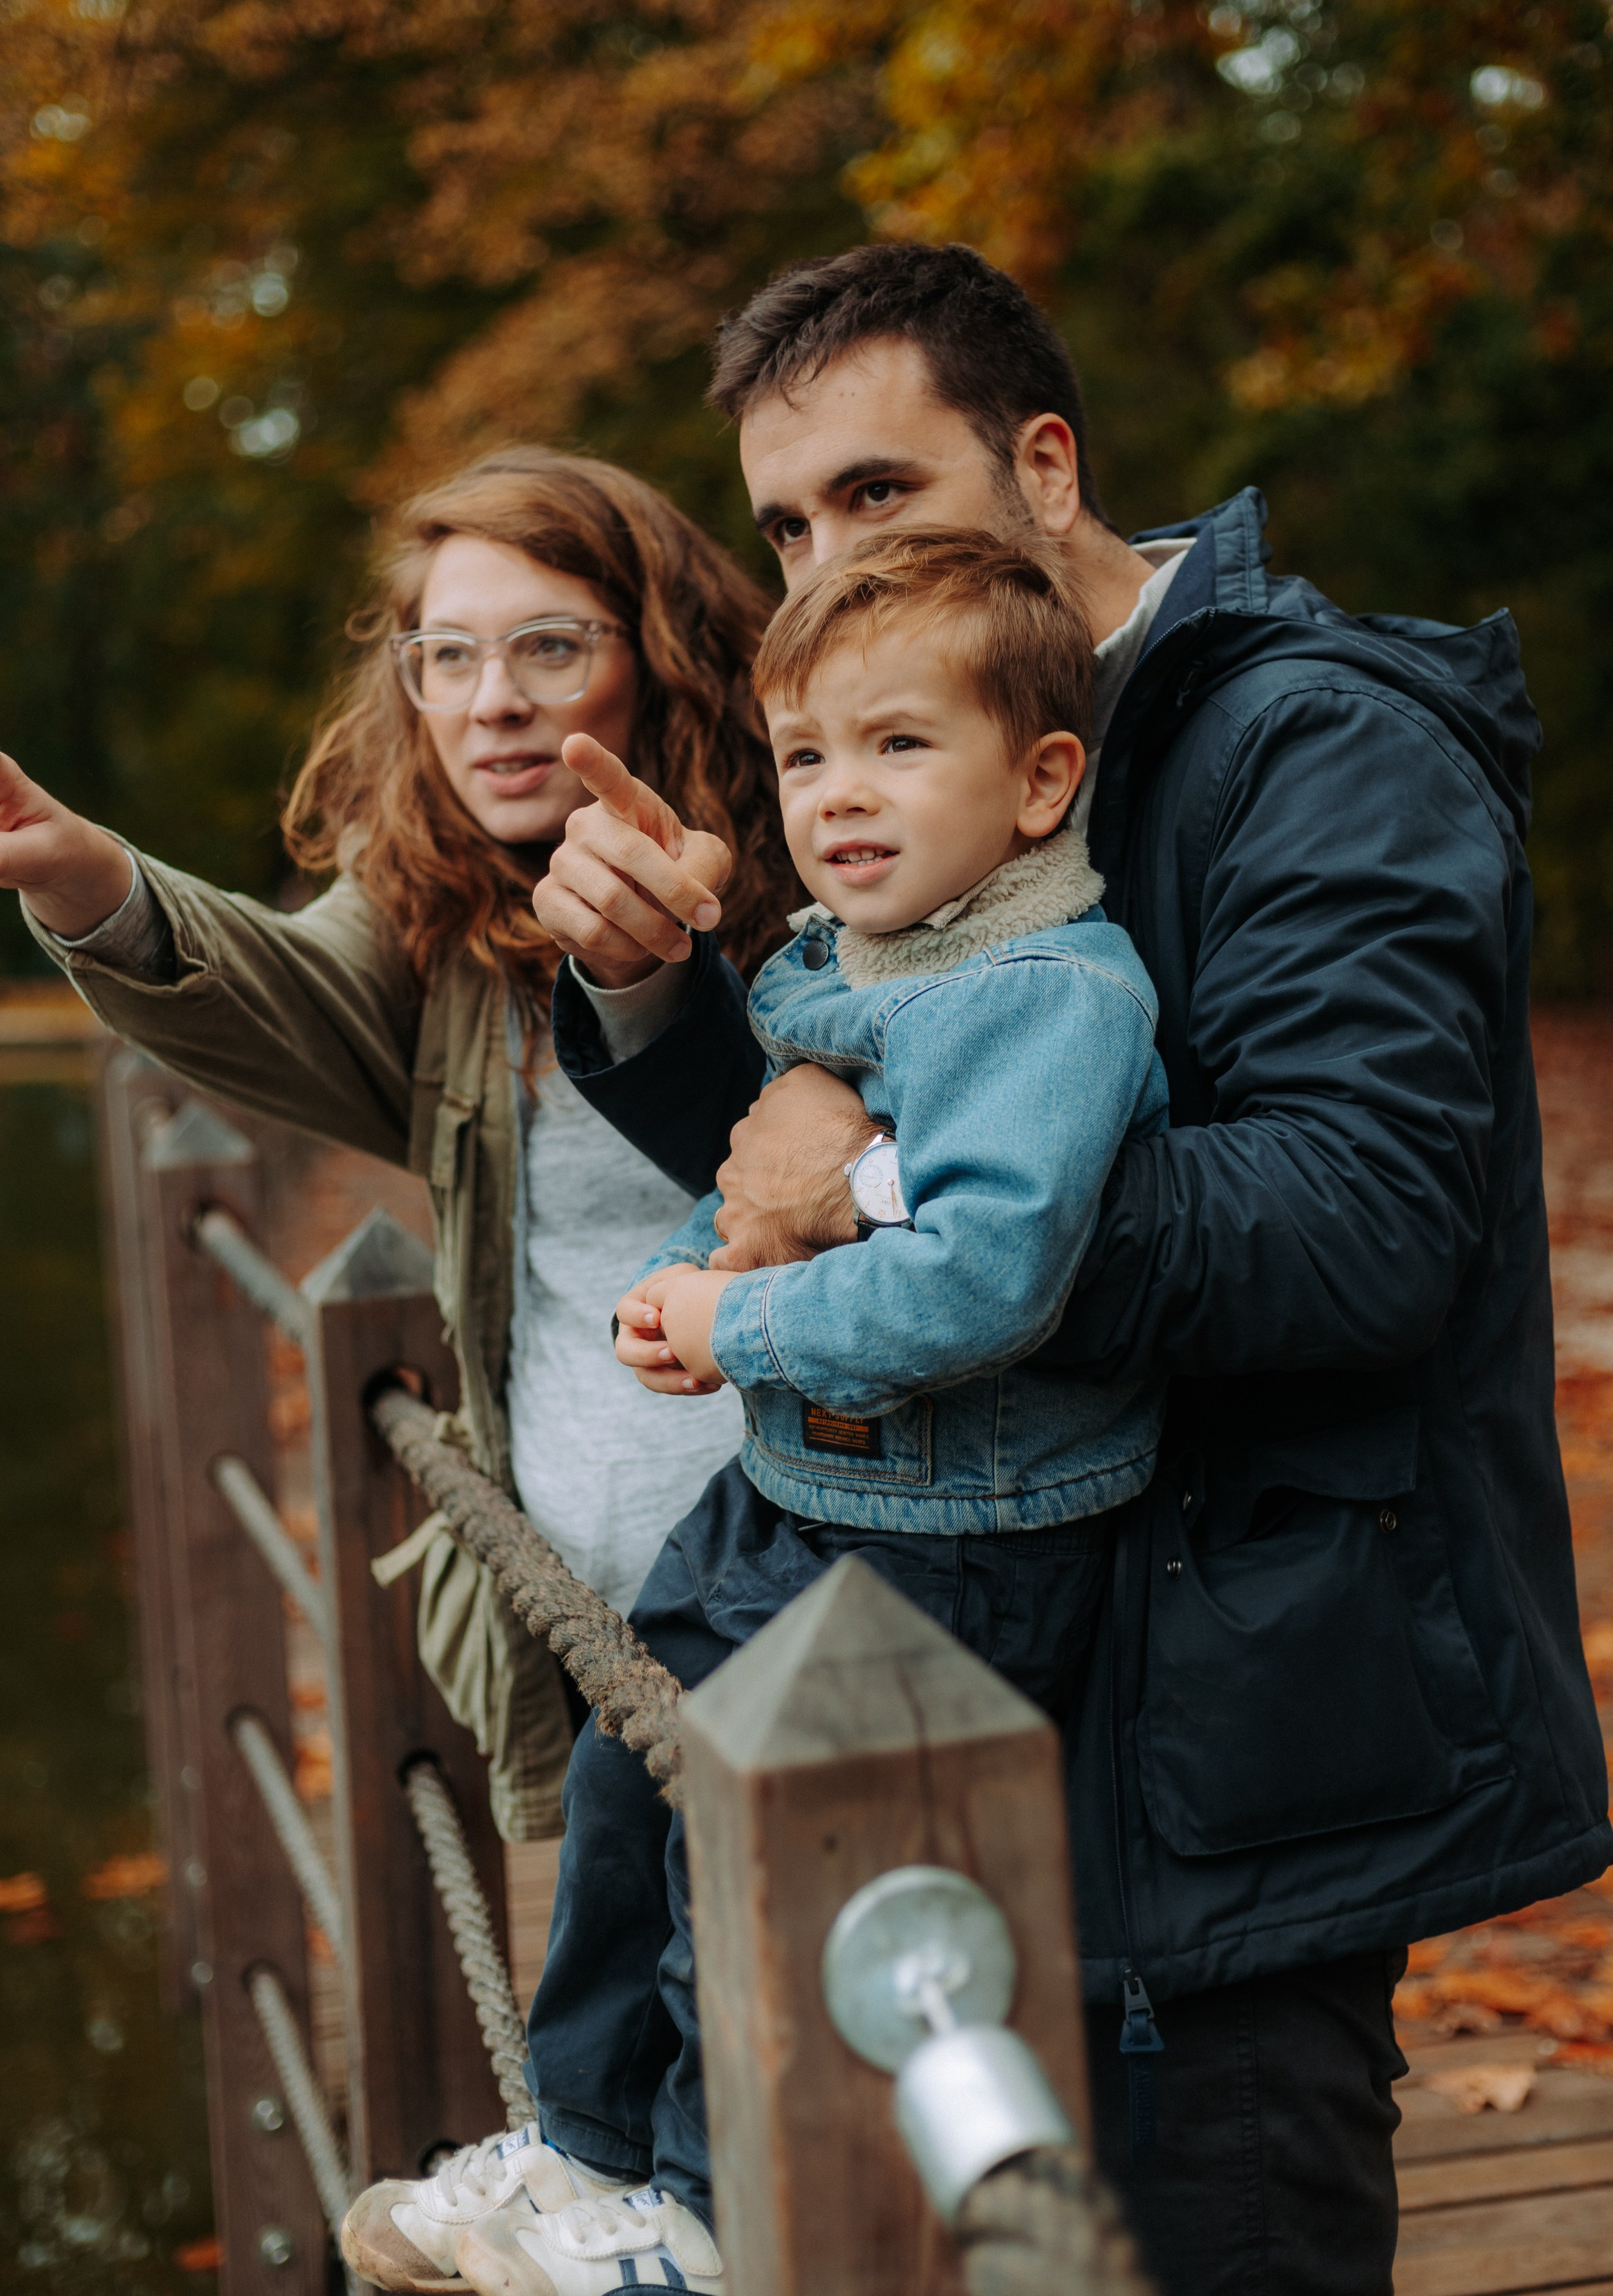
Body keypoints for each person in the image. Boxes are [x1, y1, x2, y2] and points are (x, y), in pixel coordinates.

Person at [526, 243, 1611, 2296]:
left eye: (873, 490)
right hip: (966, 1642)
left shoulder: (1317, 747)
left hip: (1240, 1732)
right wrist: (667, 1000)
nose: (822, 551)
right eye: (781, 520)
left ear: (1041, 462)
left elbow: (1355, 1225)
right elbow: (817, 1159)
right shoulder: (910, 723)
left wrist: (892, 1190)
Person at [0, 446, 799, 2293]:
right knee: (642, 1974)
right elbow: (276, 998)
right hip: (588, 1589)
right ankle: (606, 2186)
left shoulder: (805, 863)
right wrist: (84, 881)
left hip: (801, 1588)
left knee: (762, 2053)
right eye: (445, 658)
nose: (490, 701)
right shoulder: (441, 913)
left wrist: (679, 972)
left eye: (544, 644)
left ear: (660, 654)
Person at [454, 521, 1172, 2296]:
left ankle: (699, 2211)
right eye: (804, 756)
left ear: (1040, 780)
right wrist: (688, 1277)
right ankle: (589, 2149)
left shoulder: (1047, 998)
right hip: (790, 1493)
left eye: (900, 744)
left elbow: (983, 1278)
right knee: (637, 1787)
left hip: (953, 1541)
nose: (839, 796)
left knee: (754, 1880)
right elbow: (776, 1163)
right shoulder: (863, 953)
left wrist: (743, 1314)